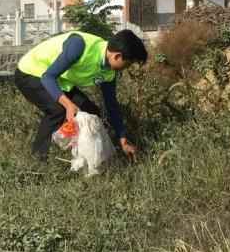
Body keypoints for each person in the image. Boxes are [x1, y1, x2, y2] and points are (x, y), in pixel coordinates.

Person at [14, 29, 148, 161]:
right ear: (117, 56)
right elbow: (48, 77)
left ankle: (83, 156)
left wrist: (123, 139)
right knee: (59, 110)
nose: (127, 68)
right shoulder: (79, 46)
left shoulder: (109, 72)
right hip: (30, 72)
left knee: (91, 112)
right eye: (128, 64)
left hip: (59, 80)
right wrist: (68, 105)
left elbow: (111, 105)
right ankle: (38, 159)